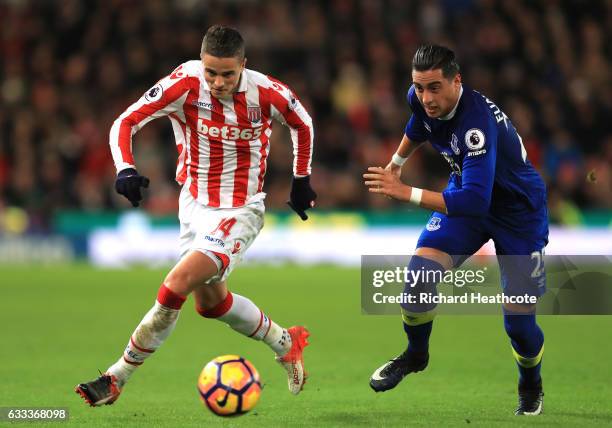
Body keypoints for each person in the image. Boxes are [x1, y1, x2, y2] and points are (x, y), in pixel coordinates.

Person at [76, 25, 316, 406]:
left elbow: (303, 124)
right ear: (201, 63)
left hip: (240, 209)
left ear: (243, 66)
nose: (218, 82)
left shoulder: (268, 92)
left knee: (176, 284)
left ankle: (117, 375)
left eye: (227, 74)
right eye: (211, 72)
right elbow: (125, 122)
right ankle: (285, 341)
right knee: (211, 305)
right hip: (193, 207)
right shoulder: (184, 82)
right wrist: (124, 169)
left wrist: (301, 179)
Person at [364, 45, 548, 416]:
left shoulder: (475, 125)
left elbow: (474, 202)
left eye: (435, 88)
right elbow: (419, 124)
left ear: (456, 81)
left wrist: (406, 192)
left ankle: (530, 382)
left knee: (519, 324)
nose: (426, 97)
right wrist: (397, 163)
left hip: (517, 213)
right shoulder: (419, 98)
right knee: (418, 279)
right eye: (419, 87)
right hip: (468, 197)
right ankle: (416, 355)